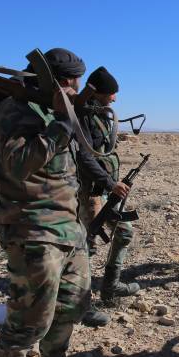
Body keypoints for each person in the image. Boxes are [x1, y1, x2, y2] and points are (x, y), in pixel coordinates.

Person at [0, 48, 91, 357]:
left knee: (71, 306)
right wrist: (62, 123)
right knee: (27, 326)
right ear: (57, 81)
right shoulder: (15, 111)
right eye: (72, 81)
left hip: (68, 229)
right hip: (32, 230)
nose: (76, 87)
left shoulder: (50, 110)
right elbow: (19, 165)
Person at [76, 67, 139, 322]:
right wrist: (108, 182)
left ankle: (110, 287)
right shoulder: (81, 116)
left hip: (104, 190)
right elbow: (83, 156)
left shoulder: (98, 114)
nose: (114, 99)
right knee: (87, 247)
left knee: (123, 232)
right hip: (90, 191)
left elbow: (100, 148)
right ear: (99, 92)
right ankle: (82, 304)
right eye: (111, 94)